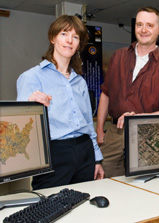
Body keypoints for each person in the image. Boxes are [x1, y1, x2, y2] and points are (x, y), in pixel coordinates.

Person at [16, 15, 104, 190]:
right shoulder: (31, 77)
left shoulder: (80, 81)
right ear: (52, 38)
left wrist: (96, 159)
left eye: (75, 37)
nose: (69, 41)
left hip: (85, 150)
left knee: (84, 203)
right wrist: (29, 105)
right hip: (55, 153)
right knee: (49, 207)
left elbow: (88, 124)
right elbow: (20, 128)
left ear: (79, 44)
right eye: (64, 34)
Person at [96, 7, 159, 177]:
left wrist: (137, 119)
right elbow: (106, 93)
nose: (143, 30)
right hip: (114, 134)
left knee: (141, 187)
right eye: (139, 25)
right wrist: (99, 130)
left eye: (149, 25)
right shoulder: (118, 57)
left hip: (147, 137)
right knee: (104, 182)